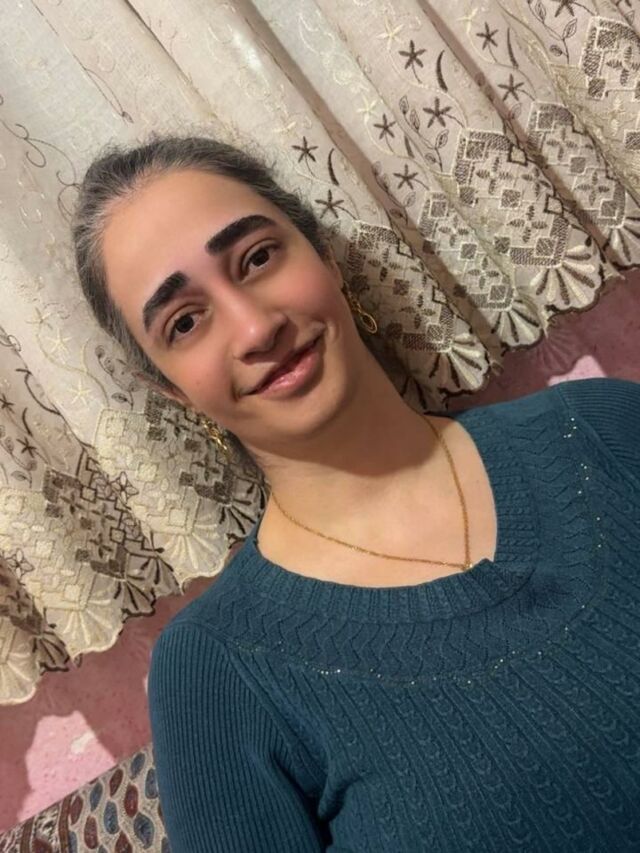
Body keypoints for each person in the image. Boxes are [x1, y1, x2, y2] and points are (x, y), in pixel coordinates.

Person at [72, 133, 640, 852]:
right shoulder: (215, 672)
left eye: (257, 258)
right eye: (185, 322)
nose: (255, 327)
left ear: (325, 255)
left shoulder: (601, 431)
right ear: (172, 390)